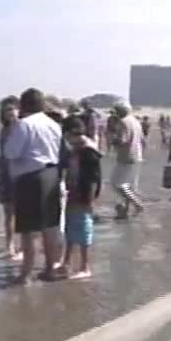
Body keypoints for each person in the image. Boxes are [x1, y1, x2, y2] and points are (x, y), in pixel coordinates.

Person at [4, 88, 63, 285]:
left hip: (31, 177)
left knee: (28, 229)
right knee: (50, 226)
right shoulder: (53, 124)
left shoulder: (24, 125)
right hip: (52, 174)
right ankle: (49, 268)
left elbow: (11, 152)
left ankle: (26, 274)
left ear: (23, 105)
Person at [59, 117, 102, 279]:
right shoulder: (76, 149)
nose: (67, 141)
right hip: (73, 193)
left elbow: (93, 178)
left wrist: (90, 201)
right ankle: (67, 262)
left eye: (67, 137)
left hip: (83, 196)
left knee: (84, 229)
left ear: (73, 134)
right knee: (71, 227)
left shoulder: (88, 151)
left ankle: (85, 267)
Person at [0, 96, 22, 261]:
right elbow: (2, 155)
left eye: (12, 109)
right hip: (5, 174)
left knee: (22, 213)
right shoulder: (4, 130)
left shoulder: (24, 128)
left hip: (21, 174)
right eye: (6, 110)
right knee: (8, 213)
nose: (10, 112)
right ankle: (9, 246)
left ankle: (23, 248)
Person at [110, 99, 144, 219]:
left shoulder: (123, 122)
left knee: (116, 183)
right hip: (137, 155)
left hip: (126, 156)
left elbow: (122, 140)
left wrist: (113, 140)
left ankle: (137, 203)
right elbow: (142, 140)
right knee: (129, 184)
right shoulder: (136, 121)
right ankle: (125, 210)